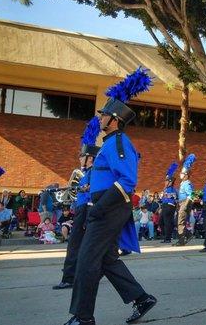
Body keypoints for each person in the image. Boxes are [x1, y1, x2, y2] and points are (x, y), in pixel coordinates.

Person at [66, 68, 156, 325]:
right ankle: (141, 298)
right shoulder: (109, 143)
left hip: (109, 208)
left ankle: (82, 319)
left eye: (104, 114)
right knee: (106, 259)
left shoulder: (119, 142)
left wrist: (98, 208)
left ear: (114, 119)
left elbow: (128, 180)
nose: (101, 117)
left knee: (86, 261)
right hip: (107, 206)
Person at [52, 117, 100, 290]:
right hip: (80, 209)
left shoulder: (93, 172)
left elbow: (93, 192)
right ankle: (77, 275)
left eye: (82, 155)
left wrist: (85, 189)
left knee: (74, 245)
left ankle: (69, 277)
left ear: (90, 158)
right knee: (83, 246)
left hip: (86, 211)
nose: (79, 158)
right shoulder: (85, 172)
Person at [174, 153, 196, 246]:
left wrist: (186, 204)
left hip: (185, 203)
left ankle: (182, 240)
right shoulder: (183, 183)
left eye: (182, 173)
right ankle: (189, 235)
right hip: (182, 203)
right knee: (178, 221)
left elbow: (191, 194)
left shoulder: (186, 183)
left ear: (186, 175)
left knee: (180, 222)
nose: (180, 174)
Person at [160, 162, 178, 244]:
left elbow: (175, 196)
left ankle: (167, 238)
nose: (165, 182)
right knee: (162, 221)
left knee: (167, 222)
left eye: (166, 181)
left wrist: (166, 194)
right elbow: (161, 197)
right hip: (164, 206)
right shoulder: (165, 188)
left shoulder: (172, 188)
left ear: (170, 182)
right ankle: (166, 236)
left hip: (169, 206)